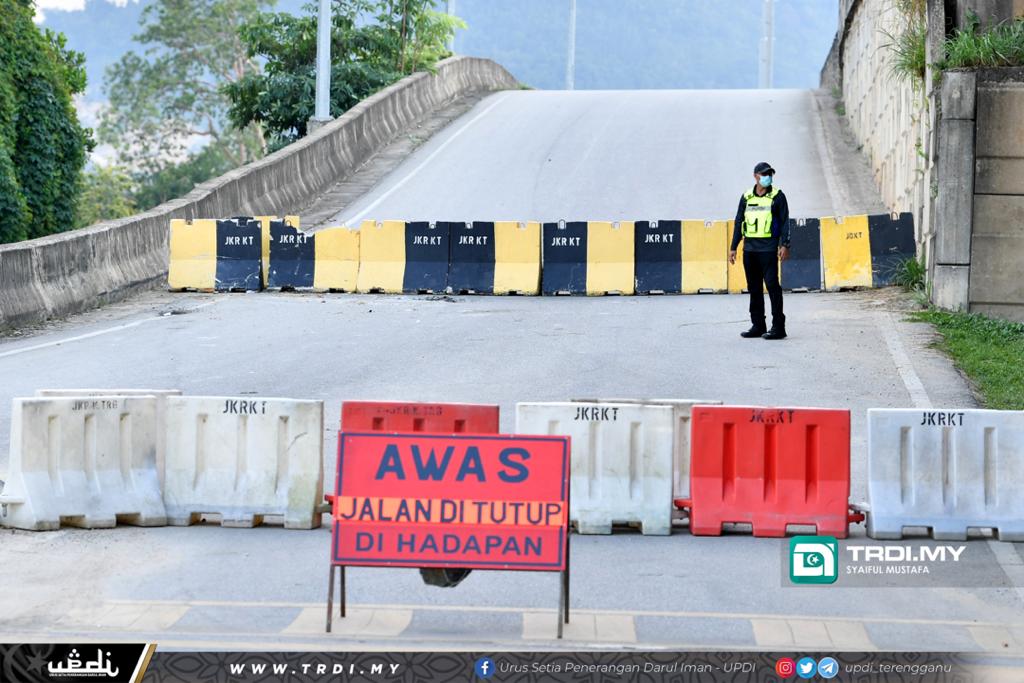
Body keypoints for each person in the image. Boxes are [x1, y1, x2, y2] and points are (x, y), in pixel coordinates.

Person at [729, 161, 790, 340]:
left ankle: (779, 326)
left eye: (770, 174)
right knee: (754, 288)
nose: (767, 177)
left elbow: (785, 222)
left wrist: (784, 244)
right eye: (764, 174)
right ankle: (758, 325)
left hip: (769, 249)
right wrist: (734, 247)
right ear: (755, 176)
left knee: (772, 286)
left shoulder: (778, 196)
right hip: (750, 249)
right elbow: (739, 221)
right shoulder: (747, 197)